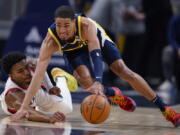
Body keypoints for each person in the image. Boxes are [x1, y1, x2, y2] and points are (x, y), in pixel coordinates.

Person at [11, 5, 180, 127]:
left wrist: (99, 80)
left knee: (122, 70)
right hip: (73, 52)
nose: (62, 30)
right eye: (59, 25)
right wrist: (25, 106)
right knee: (85, 82)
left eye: (66, 25)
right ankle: (114, 93)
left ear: (74, 22)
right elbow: (38, 74)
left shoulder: (86, 25)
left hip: (97, 43)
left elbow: (95, 54)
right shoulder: (50, 40)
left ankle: (165, 110)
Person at [0, 52, 78, 123]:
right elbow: (28, 112)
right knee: (35, 112)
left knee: (67, 109)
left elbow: (40, 64)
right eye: (20, 71)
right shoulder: (13, 95)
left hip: (37, 93)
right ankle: (39, 108)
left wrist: (50, 87)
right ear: (11, 76)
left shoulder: (30, 65)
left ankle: (61, 77)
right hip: (24, 105)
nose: (27, 72)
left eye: (26, 67)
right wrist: (49, 119)